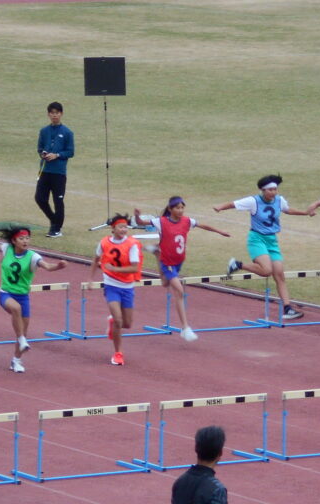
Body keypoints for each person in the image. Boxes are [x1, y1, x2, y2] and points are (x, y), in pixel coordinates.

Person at [133, 196, 230, 342]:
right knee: (179, 291)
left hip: (179, 261)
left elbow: (203, 226)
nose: (180, 210)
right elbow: (140, 223)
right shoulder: (161, 222)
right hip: (168, 263)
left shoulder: (187, 221)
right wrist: (137, 215)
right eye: (177, 208)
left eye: (182, 207)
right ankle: (185, 328)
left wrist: (220, 231)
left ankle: (156, 254)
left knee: (165, 284)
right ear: (170, 209)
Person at [213, 174, 309, 320]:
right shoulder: (253, 201)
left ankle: (288, 308)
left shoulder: (279, 200)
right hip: (257, 239)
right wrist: (220, 207)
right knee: (266, 271)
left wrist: (305, 213)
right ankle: (238, 264)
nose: (273, 192)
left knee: (279, 275)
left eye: (275, 189)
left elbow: (287, 210)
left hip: (272, 240)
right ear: (263, 190)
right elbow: (234, 204)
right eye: (270, 190)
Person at [0, 226, 67, 373]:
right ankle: (21, 339)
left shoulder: (33, 256)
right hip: (6, 294)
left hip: (23, 296)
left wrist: (59, 266)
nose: (25, 241)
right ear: (14, 241)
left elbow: (48, 267)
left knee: (23, 329)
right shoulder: (7, 249)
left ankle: (16, 360)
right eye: (21, 238)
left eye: (27, 238)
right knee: (16, 309)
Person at [88, 213, 142, 366]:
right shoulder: (104, 243)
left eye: (125, 227)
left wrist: (115, 268)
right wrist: (91, 278)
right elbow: (96, 259)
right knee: (119, 321)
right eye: (120, 227)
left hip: (127, 286)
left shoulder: (131, 244)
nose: (124, 230)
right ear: (113, 228)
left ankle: (112, 322)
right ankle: (118, 353)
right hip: (111, 285)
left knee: (127, 324)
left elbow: (134, 267)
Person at [35, 101, 75, 238]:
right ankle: (54, 220)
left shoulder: (67, 132)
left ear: (61, 114)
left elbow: (70, 152)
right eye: (52, 113)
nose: (54, 115)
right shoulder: (44, 131)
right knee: (40, 198)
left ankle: (56, 229)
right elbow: (40, 148)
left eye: (57, 113)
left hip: (59, 173)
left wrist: (57, 155)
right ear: (48, 114)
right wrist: (43, 154)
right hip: (45, 170)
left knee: (58, 200)